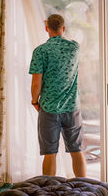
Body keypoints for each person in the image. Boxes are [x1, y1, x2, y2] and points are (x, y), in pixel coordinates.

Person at [29, 14, 86, 177]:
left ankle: (49, 191)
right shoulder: (75, 47)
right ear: (63, 28)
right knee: (76, 150)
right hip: (72, 108)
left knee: (50, 153)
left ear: (47, 28)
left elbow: (36, 83)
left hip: (49, 108)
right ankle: (84, 188)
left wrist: (35, 101)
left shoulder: (40, 51)